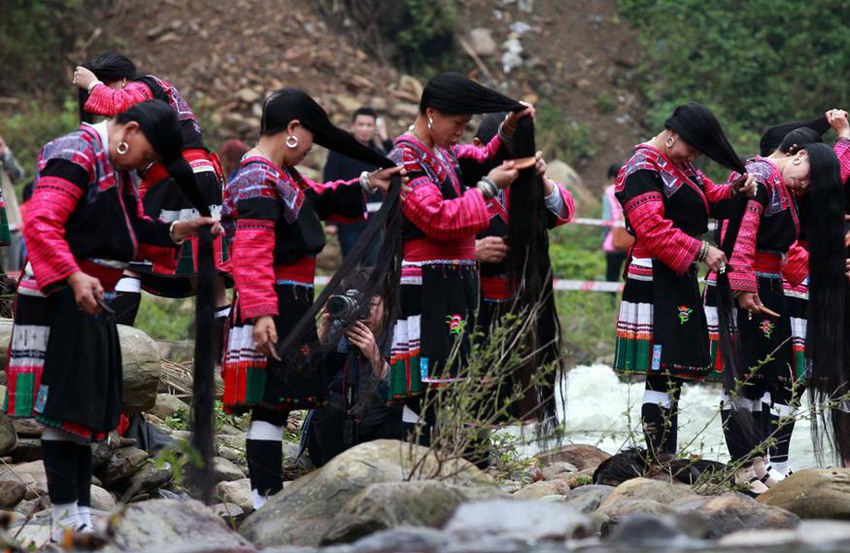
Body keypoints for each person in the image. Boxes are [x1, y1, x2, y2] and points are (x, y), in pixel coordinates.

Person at [1, 100, 220, 540]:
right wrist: (74, 276)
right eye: (148, 153)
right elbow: (42, 224)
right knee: (62, 412)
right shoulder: (75, 152)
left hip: (90, 298)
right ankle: (68, 520)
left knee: (83, 415)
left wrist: (175, 232)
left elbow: (131, 228)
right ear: (130, 130)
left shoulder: (117, 168)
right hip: (60, 295)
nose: (147, 164)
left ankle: (80, 514)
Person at [220, 88, 400, 509]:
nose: (309, 151)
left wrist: (367, 182)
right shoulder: (257, 176)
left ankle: (268, 496)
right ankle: (264, 499)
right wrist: (262, 313)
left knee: (278, 405)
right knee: (268, 405)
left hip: (291, 304)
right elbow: (251, 250)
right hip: (272, 304)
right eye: (311, 141)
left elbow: (319, 199)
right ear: (293, 131)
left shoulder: (282, 177)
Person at [386, 72, 533, 440]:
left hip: (449, 280)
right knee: (421, 387)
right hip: (425, 281)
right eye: (458, 124)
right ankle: (413, 468)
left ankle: (428, 468)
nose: (460, 132)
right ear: (431, 113)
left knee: (441, 382)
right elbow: (437, 218)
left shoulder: (442, 151)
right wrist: (487, 188)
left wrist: (509, 130)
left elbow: (481, 156)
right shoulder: (406, 157)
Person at [613, 103, 755, 461]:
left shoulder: (681, 166)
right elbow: (651, 228)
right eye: (693, 146)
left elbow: (712, 198)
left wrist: (737, 187)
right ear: (672, 134)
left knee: (672, 369)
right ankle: (661, 458)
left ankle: (665, 457)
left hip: (676, 274)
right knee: (661, 368)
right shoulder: (640, 169)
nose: (695, 155)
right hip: (654, 277)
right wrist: (702, 249)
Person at [714, 140, 844, 495]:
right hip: (748, 284)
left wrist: (844, 137)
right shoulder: (760, 178)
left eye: (810, 185)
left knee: (766, 377)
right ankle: (742, 470)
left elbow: (835, 171)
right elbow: (742, 236)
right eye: (806, 178)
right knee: (742, 379)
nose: (804, 186)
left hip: (770, 287)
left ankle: (759, 465)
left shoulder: (784, 185)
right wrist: (742, 286)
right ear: (797, 155)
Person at [73, 53, 230, 334]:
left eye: (111, 84)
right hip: (205, 176)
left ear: (123, 79)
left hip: (173, 177)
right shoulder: (160, 93)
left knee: (129, 261)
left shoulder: (145, 85)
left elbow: (117, 101)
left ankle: (115, 346)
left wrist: (93, 84)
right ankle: (222, 365)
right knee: (211, 277)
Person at [467, 112, 574, 423]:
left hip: (523, 301)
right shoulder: (465, 182)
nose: (509, 164)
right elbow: (438, 230)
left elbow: (563, 211)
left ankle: (524, 447)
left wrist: (541, 179)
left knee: (526, 374)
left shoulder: (527, 185)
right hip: (477, 301)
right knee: (481, 375)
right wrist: (473, 252)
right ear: (479, 146)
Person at [306, 269, 404, 467]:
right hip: (335, 437)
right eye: (357, 306)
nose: (362, 313)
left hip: (381, 435)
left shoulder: (400, 336)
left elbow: (404, 398)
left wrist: (376, 357)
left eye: (370, 305)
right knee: (327, 408)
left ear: (388, 306)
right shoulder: (339, 331)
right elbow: (305, 379)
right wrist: (324, 331)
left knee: (402, 418)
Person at [323, 107, 391, 265]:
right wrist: (331, 221)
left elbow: (398, 165)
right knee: (351, 266)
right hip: (349, 219)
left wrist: (385, 139)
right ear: (353, 126)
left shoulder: (378, 153)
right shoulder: (339, 152)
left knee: (372, 267)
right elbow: (330, 183)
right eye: (361, 124)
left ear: (375, 128)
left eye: (369, 125)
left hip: (374, 220)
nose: (365, 129)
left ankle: (369, 291)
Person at [601, 163, 627, 292]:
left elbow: (606, 218)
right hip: (631, 240)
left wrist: (603, 237)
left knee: (612, 275)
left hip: (614, 240)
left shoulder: (609, 192)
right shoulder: (631, 188)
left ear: (612, 178)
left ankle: (610, 303)